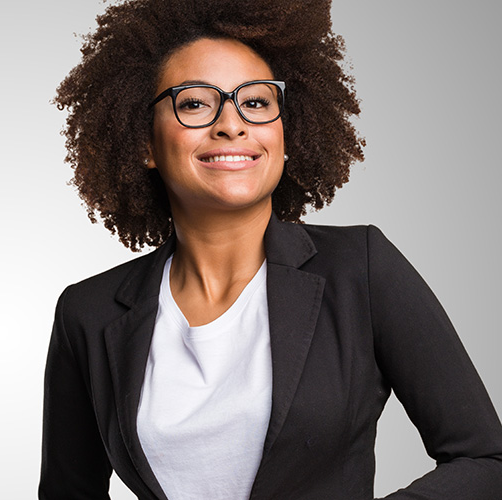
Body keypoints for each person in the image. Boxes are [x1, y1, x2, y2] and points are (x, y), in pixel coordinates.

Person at [39, 1, 502, 499]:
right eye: (194, 103)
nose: (232, 124)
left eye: (256, 102)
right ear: (144, 143)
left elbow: (486, 461)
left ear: (284, 136)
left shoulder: (361, 269)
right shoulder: (88, 313)